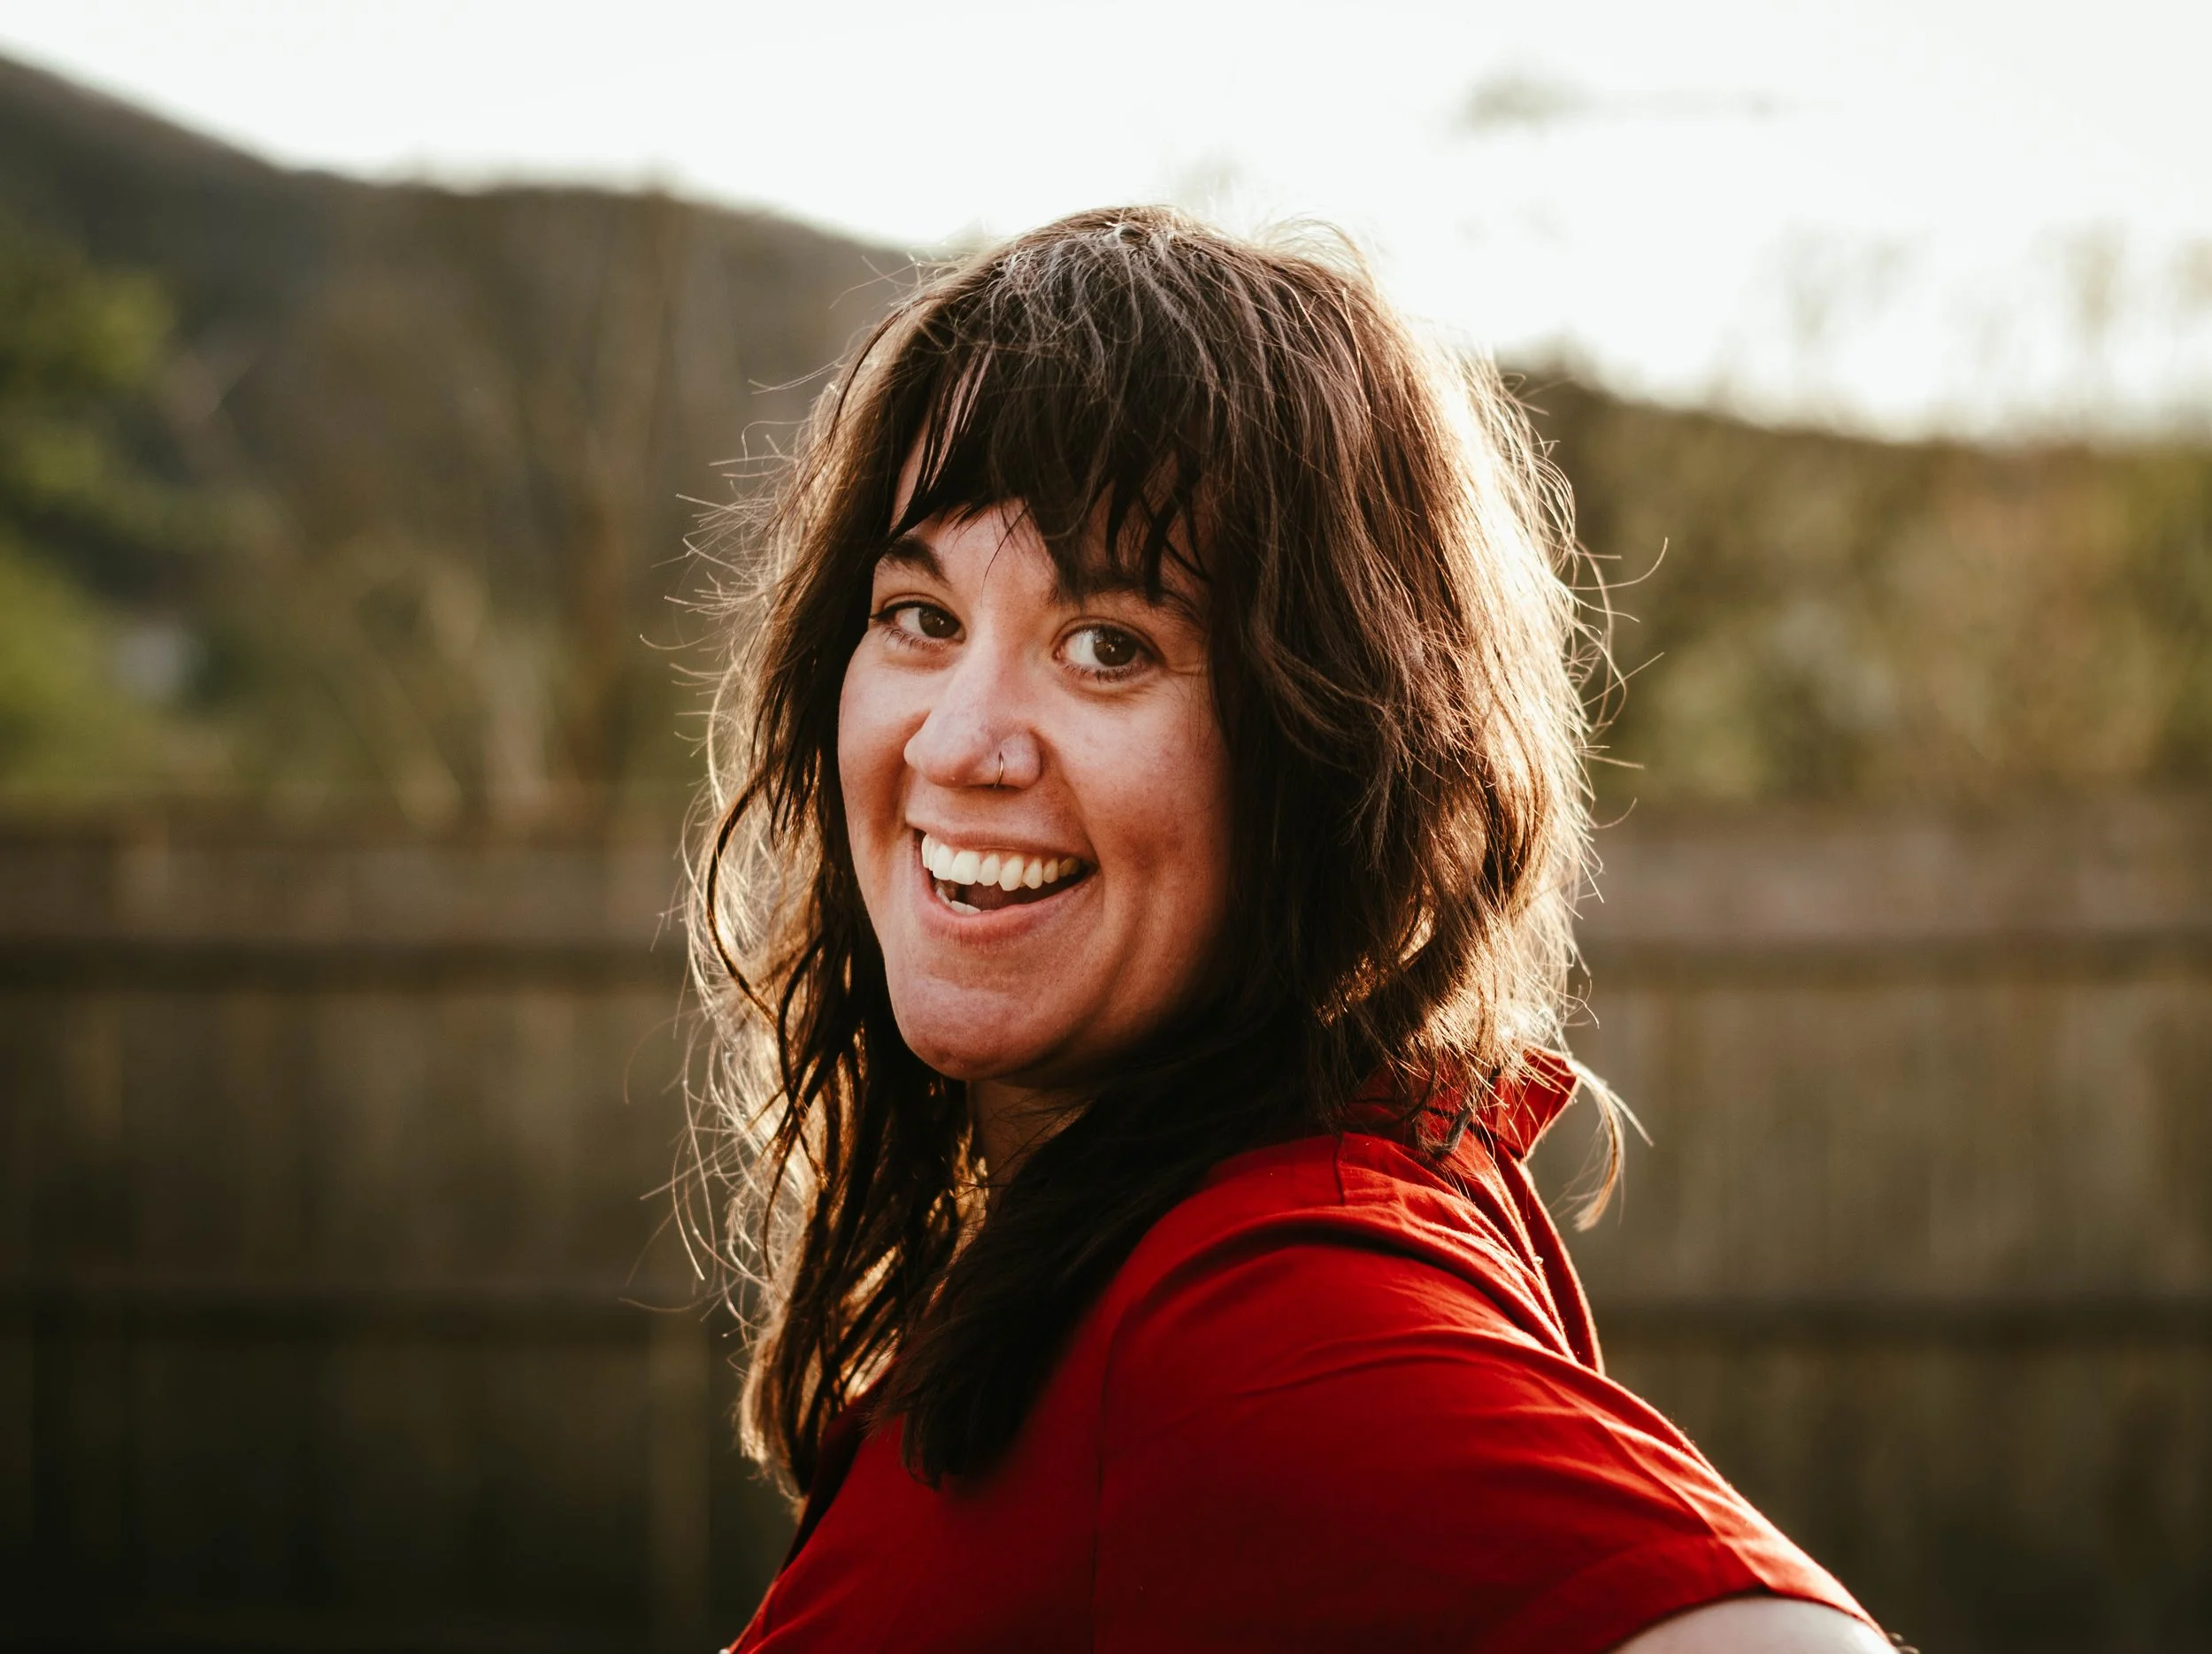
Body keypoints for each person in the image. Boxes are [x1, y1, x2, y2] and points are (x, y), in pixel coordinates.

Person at [688, 206, 1894, 1652]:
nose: (958, 742)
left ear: (1325, 756)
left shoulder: (1244, 1318)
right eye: (919, 616)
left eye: (1110, 646)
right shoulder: (1113, 1268)